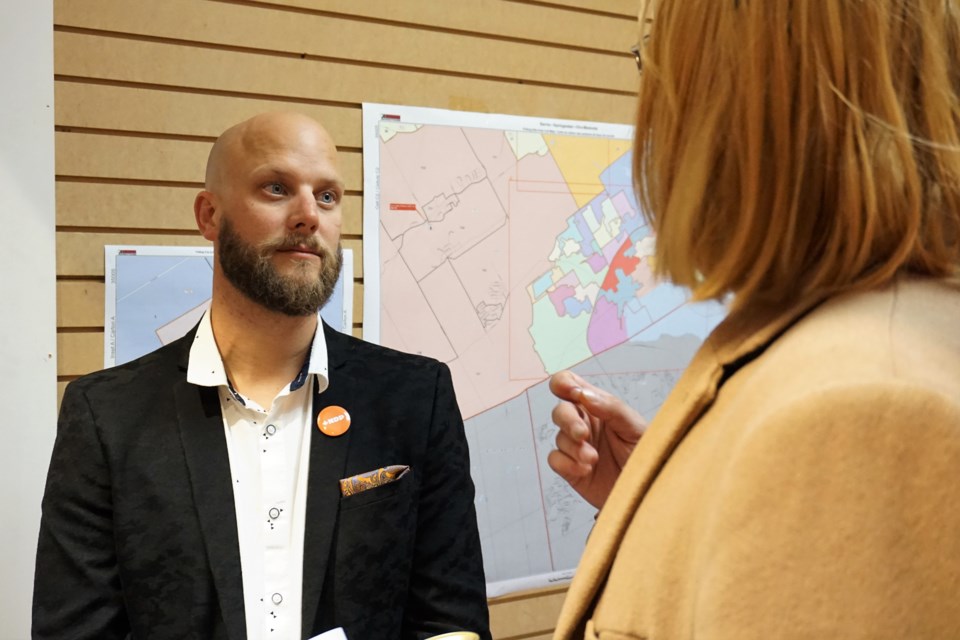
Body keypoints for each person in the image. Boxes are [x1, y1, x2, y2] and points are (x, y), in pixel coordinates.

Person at [548, 1, 960, 638]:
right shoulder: (846, 337)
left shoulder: (856, 411)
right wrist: (668, 505)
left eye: (657, 60)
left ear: (732, 87)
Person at [33, 112, 490, 640]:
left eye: (326, 196)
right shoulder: (106, 416)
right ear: (209, 215)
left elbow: (450, 621)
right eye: (276, 188)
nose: (307, 216)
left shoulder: (414, 398)